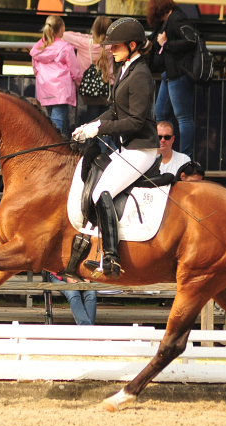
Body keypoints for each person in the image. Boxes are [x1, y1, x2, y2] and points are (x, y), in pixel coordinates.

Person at [72, 18, 158, 279]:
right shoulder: (126, 68)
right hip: (127, 148)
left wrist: (100, 130)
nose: (110, 49)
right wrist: (92, 123)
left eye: (116, 45)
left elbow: (134, 121)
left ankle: (111, 257)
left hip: (141, 149)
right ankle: (99, 251)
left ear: (132, 45)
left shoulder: (141, 74)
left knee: (102, 192)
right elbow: (114, 109)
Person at [147, 0, 197, 156]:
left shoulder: (176, 19)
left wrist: (166, 44)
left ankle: (185, 156)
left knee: (183, 116)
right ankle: (161, 153)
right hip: (169, 74)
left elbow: (191, 40)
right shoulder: (167, 22)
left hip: (179, 73)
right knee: (160, 114)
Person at [30, 15, 81, 135]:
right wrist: (78, 81)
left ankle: (47, 146)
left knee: (48, 121)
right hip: (61, 90)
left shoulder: (38, 48)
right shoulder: (65, 47)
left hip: (44, 88)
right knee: (57, 121)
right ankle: (54, 148)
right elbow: (74, 69)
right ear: (62, 28)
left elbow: (35, 69)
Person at [62, 15, 115, 122]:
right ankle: (105, 139)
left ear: (94, 29)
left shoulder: (84, 43)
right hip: (108, 87)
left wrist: (87, 36)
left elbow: (63, 35)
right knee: (107, 122)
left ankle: (93, 139)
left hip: (89, 90)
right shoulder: (112, 46)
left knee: (93, 121)